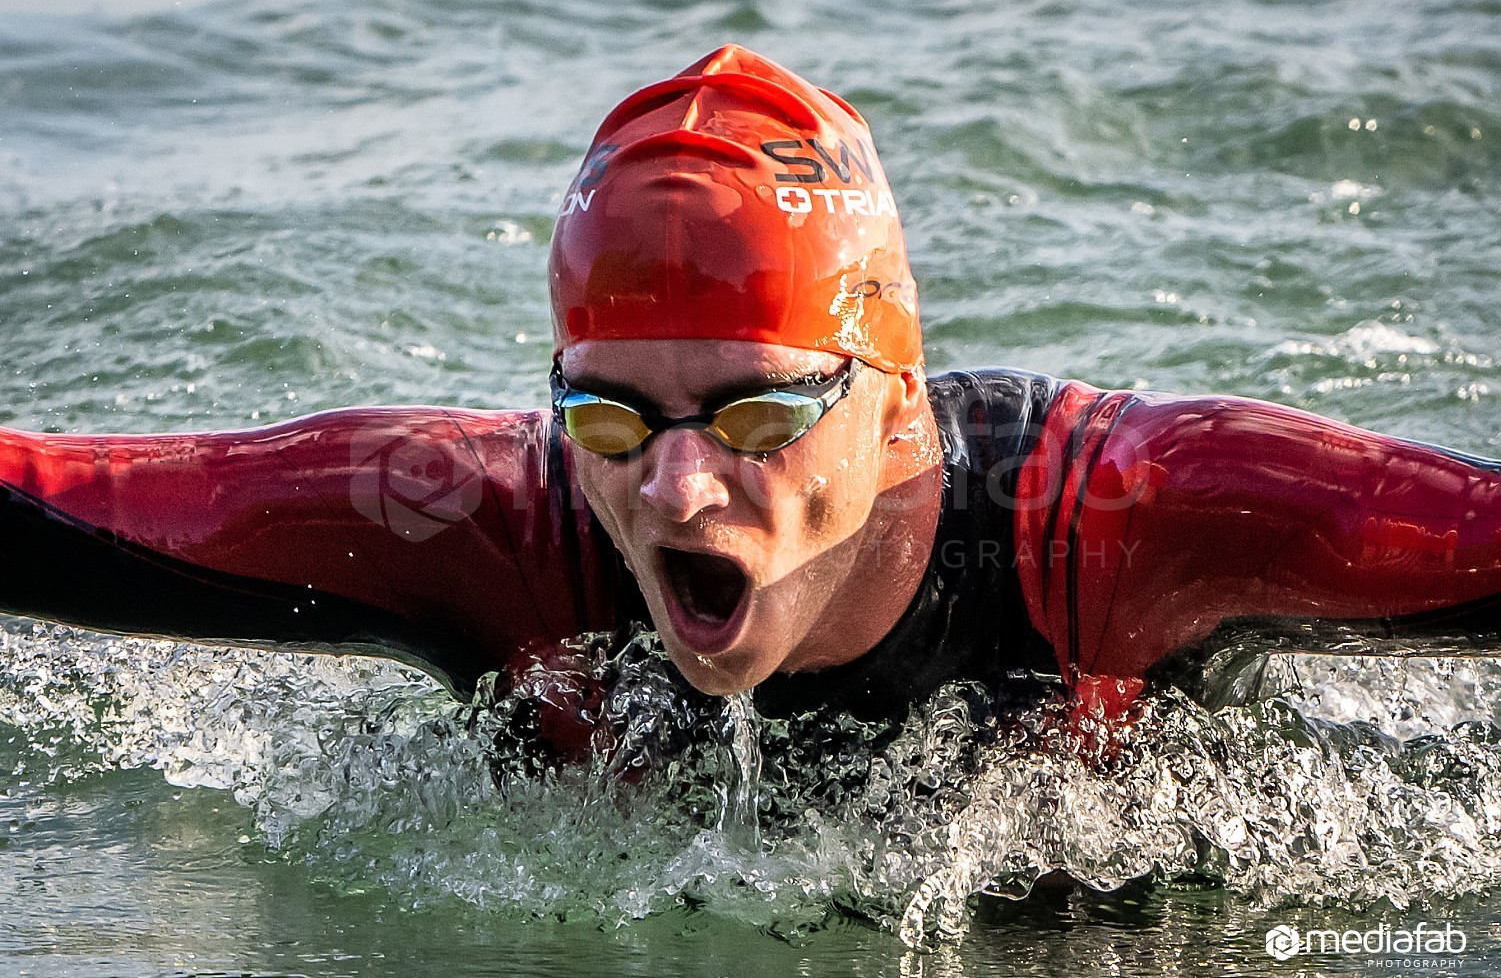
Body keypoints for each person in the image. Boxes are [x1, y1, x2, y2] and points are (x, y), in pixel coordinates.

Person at [2, 45, 1499, 759]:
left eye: (757, 416)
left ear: (893, 402)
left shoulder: (1126, 520)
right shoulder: (474, 519)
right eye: (605, 417)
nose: (669, 491)